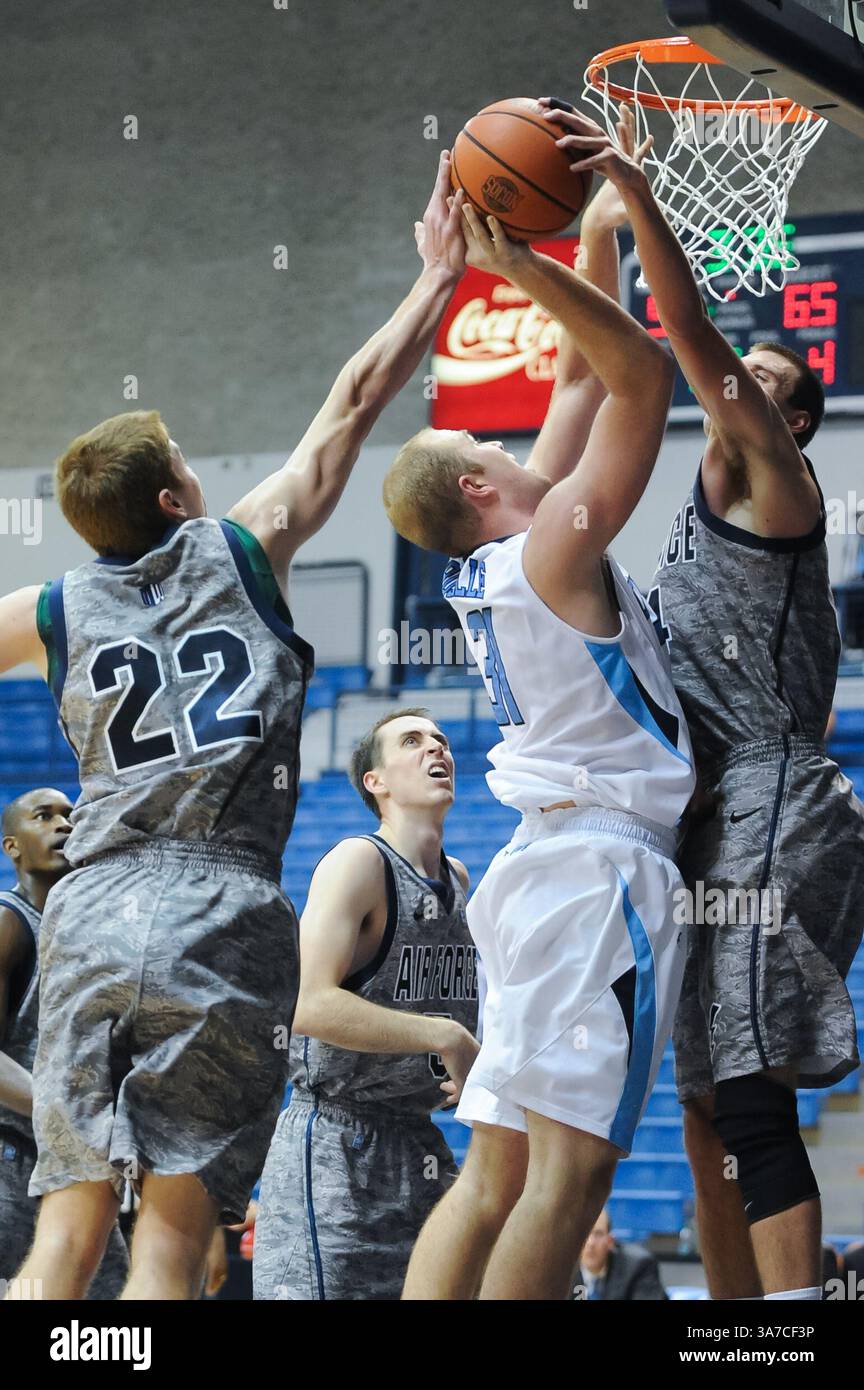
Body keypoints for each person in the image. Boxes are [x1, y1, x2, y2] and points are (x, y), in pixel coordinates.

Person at [0, 153, 466, 1301]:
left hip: (95, 908)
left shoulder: (52, 606)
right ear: (172, 500)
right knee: (172, 1233)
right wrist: (435, 281)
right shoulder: (241, 546)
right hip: (220, 905)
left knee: (61, 1238)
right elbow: (354, 402)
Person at [543, 101, 864, 1302]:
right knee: (698, 1110)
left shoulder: (782, 485)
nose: (734, 388)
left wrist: (634, 189)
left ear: (785, 418)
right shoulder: (698, 517)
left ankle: (791, 1319)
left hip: (777, 805)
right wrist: (593, 233)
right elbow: (607, 349)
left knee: (748, 1093)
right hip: (711, 816)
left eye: (759, 381)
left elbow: (677, 333)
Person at [385, 170, 694, 1300]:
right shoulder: (553, 546)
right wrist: (514, 265)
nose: (515, 440)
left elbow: (577, 369)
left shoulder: (501, 569)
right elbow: (639, 378)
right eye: (487, 439)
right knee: (569, 1185)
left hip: (537, 879)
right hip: (596, 876)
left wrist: (599, 231)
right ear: (479, 478)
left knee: (492, 1180)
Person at [253, 709, 479, 1300]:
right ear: (374, 782)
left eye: (441, 739)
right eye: (412, 741)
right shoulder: (358, 862)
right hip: (332, 1142)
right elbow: (305, 1003)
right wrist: (444, 1037)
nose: (436, 748)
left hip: (417, 1140)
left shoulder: (459, 880)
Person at [0, 788, 129, 1297]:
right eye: (45, 816)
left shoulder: (87, 934)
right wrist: (69, 1112)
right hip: (12, 1155)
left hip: (73, 1158)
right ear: (12, 846)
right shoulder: (8, 920)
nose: (64, 825)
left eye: (71, 816)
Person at [573, 1208, 667, 1300]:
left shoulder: (639, 1266)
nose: (590, 1243)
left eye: (598, 1234)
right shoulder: (565, 1271)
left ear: (610, 1241)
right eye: (584, 1233)